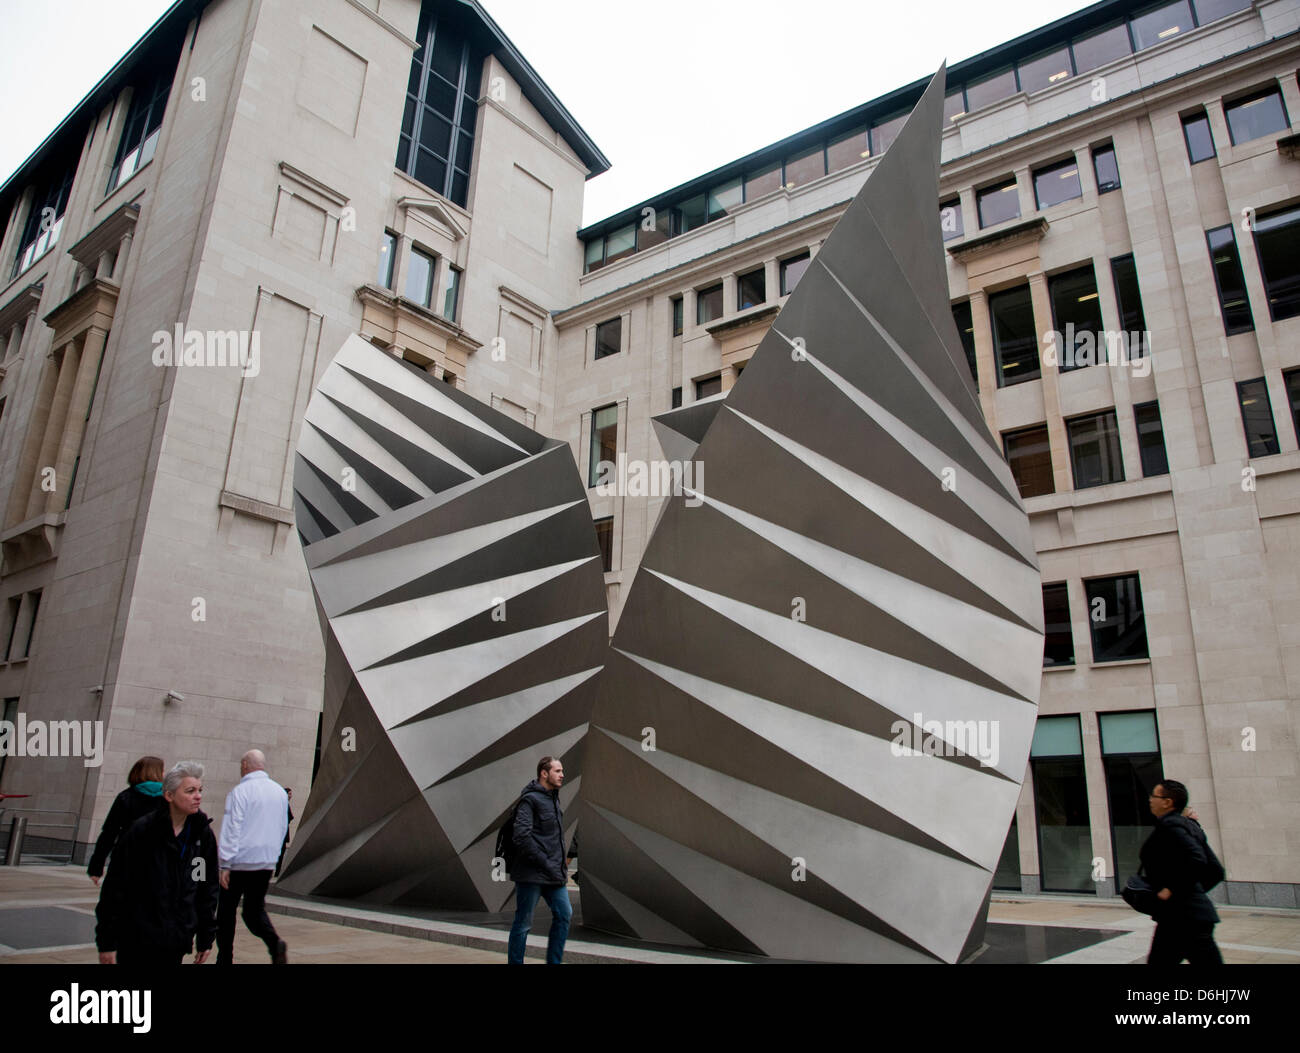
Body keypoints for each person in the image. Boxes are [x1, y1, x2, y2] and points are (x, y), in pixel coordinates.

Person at [95, 760, 219, 966]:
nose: (198, 796)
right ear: (169, 795)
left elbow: (205, 888)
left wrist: (206, 936)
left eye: (200, 790)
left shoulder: (201, 836)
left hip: (175, 939)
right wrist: (107, 941)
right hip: (137, 937)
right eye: (190, 791)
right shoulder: (142, 831)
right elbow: (115, 887)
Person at [217, 749, 290, 965]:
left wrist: (225, 864)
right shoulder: (279, 792)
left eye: (241, 765)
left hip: (240, 861)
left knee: (226, 912)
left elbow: (232, 827)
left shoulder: (240, 791)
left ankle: (224, 958)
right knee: (253, 910)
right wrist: (274, 857)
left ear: (246, 765)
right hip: (265, 862)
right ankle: (274, 942)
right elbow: (282, 827)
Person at [1140, 779, 1223, 965]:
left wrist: (1171, 890)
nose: (1150, 800)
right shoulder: (1190, 827)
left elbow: (1198, 861)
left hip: (1182, 918)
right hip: (1187, 916)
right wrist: (1194, 893)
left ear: (1167, 802)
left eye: (1154, 795)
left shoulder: (1171, 827)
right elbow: (1216, 871)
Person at [507, 756, 574, 964]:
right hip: (531, 874)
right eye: (557, 771)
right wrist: (546, 862)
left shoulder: (553, 798)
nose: (562, 775)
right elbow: (521, 837)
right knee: (523, 923)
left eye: (562, 771)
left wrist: (560, 862)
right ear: (544, 773)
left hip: (553, 873)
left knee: (564, 914)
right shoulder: (530, 800)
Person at [87, 755, 166, 886]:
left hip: (125, 858)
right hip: (156, 861)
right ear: (156, 773)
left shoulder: (126, 797)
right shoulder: (168, 800)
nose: (164, 774)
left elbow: (109, 833)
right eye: (162, 770)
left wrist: (96, 867)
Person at [273, 788, 294, 879]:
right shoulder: (283, 805)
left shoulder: (284, 804)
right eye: (289, 794)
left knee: (281, 852)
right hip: (280, 833)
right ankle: (276, 871)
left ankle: (277, 871)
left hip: (282, 833)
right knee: (279, 852)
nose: (291, 796)